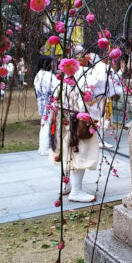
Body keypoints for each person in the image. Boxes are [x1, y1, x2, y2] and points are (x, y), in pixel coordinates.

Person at [50, 47, 100, 202]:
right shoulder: (80, 74)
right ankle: (76, 190)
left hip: (62, 117)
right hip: (74, 119)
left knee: (66, 152)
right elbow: (84, 98)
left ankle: (66, 185)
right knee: (79, 152)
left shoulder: (61, 78)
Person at [33, 56, 55, 156]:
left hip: (41, 103)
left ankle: (42, 147)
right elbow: (56, 89)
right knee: (47, 126)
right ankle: (45, 148)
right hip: (50, 103)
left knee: (43, 125)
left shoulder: (38, 75)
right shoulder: (49, 76)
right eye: (51, 63)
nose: (53, 65)